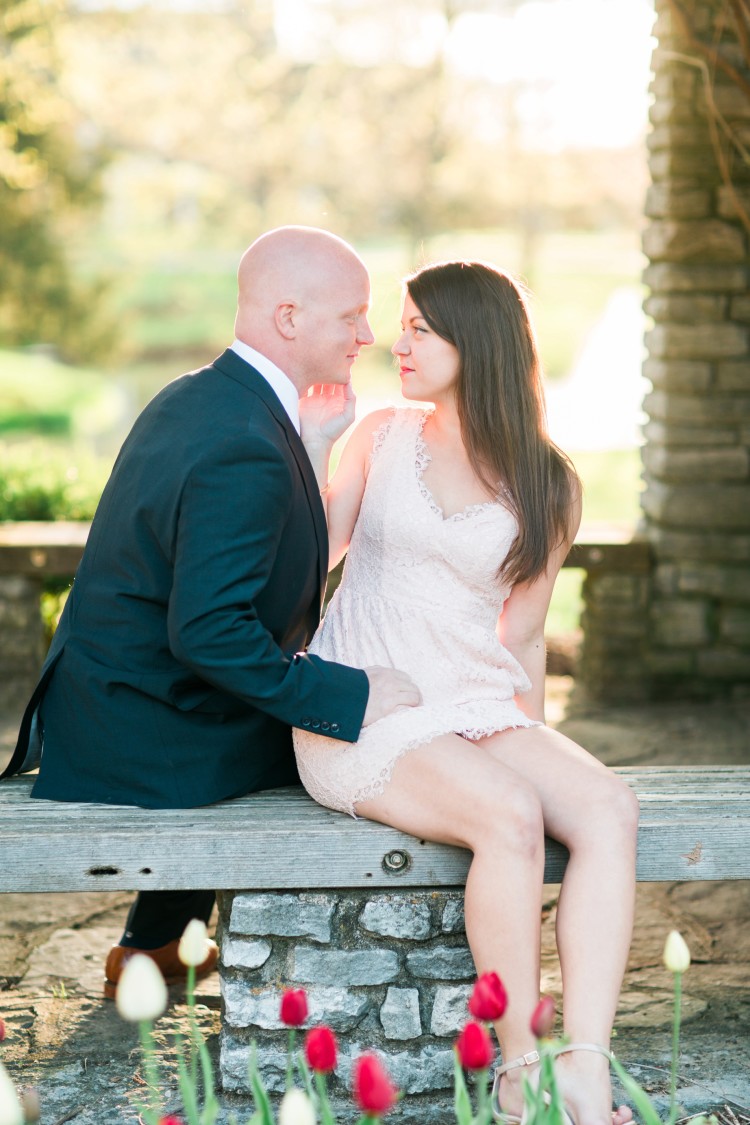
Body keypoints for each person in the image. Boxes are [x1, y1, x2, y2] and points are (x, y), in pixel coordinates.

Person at [1, 226, 421, 998]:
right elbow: (211, 632)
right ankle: (316, 979)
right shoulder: (243, 440)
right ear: (289, 318)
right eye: (352, 315)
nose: (369, 334)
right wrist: (351, 695)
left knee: (312, 714)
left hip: (115, 703)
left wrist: (316, 444)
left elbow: (267, 566)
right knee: (359, 749)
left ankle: (154, 944)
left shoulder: (212, 397)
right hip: (146, 730)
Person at [293, 260, 639, 1125]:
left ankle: (588, 1069)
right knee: (511, 814)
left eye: (420, 328)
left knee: (606, 805)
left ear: (475, 343)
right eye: (401, 326)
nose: (396, 343)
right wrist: (309, 445)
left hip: (473, 697)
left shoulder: (548, 481)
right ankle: (521, 1069)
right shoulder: (379, 433)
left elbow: (519, 636)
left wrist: (539, 742)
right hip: (365, 701)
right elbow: (313, 557)